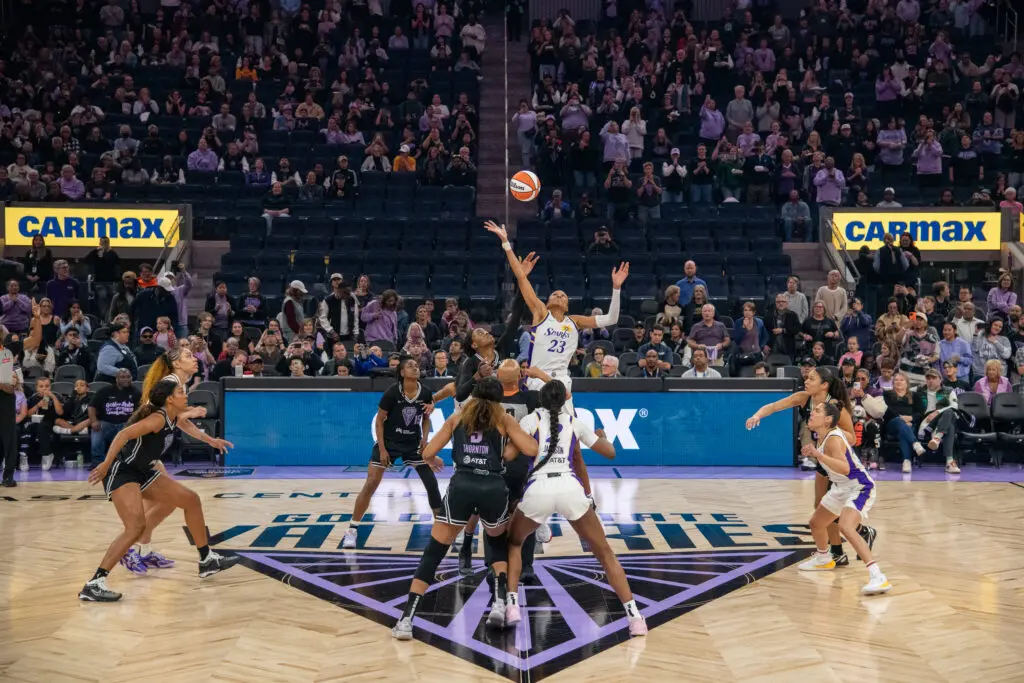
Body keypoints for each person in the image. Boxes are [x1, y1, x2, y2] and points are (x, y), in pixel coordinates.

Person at [391, 378, 539, 639]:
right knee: (496, 545)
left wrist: (435, 458)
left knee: (434, 553)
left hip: (462, 485)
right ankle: (499, 603)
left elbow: (426, 453)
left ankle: (406, 620)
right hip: (493, 486)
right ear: (498, 399)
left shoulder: (457, 417)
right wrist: (508, 451)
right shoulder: (504, 419)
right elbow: (531, 448)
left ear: (473, 396)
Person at [502, 380, 648, 635]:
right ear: (564, 401)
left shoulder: (530, 420)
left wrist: (510, 433)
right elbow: (610, 453)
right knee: (604, 553)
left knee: (514, 543)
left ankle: (512, 605)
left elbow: (510, 455)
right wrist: (603, 436)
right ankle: (635, 617)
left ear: (541, 400)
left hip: (538, 489)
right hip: (570, 488)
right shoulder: (574, 422)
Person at [80, 381, 237, 602]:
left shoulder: (173, 416)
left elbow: (186, 424)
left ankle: (206, 559)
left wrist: (211, 441)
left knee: (190, 500)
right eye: (181, 392)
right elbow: (123, 434)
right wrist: (105, 464)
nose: (186, 395)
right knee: (135, 527)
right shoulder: (157, 418)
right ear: (170, 399)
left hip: (143, 471)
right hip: (122, 471)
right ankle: (94, 583)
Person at [485, 220, 628, 412]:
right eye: (555, 294)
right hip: (536, 380)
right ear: (548, 300)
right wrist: (505, 243)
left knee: (569, 432)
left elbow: (612, 319)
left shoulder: (575, 321)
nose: (559, 295)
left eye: (563, 295)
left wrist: (616, 288)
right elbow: (520, 277)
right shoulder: (541, 312)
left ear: (567, 305)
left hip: (561, 380)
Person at [746, 367, 873, 565]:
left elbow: (853, 439)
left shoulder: (835, 408)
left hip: (840, 458)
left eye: (812, 378)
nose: (806, 380)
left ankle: (839, 550)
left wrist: (831, 432)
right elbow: (774, 406)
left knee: (832, 510)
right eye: (807, 377)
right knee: (820, 507)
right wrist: (757, 416)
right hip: (821, 457)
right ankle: (857, 536)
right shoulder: (804, 398)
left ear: (824, 385)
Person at [342, 358, 440, 549]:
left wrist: (425, 438)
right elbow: (379, 421)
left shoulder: (426, 392)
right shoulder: (392, 392)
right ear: (402, 373)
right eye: (410, 365)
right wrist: (382, 449)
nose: (415, 367)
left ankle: (441, 531)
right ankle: (351, 530)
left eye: (416, 365)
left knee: (431, 483)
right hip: (389, 442)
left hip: (413, 444)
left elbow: (426, 418)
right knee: (371, 484)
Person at [798, 403, 891, 595]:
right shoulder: (824, 436)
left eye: (817, 411)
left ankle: (877, 576)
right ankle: (824, 558)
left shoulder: (832, 439)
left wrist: (818, 455)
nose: (811, 413)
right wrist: (816, 453)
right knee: (816, 523)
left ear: (828, 420)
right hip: (841, 487)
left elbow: (845, 468)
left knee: (846, 527)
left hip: (859, 486)